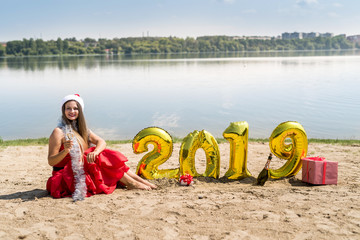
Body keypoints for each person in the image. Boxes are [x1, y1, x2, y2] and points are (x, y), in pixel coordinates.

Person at [47, 94, 156, 199]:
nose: (72, 111)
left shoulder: (82, 130)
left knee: (99, 152)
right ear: (63, 110)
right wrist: (65, 151)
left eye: (75, 108)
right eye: (68, 108)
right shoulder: (58, 132)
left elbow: (101, 141)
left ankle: (138, 180)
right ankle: (131, 183)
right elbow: (51, 161)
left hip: (82, 169)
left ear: (80, 111)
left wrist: (95, 152)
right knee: (98, 157)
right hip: (66, 177)